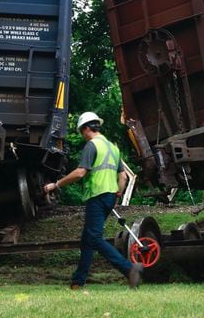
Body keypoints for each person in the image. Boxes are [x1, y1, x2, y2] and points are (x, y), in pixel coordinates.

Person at [43, 111, 143, 289]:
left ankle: (129, 269)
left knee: (94, 238)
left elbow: (81, 172)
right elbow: (123, 177)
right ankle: (77, 282)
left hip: (97, 196)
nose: (82, 136)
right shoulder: (113, 147)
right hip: (110, 197)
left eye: (82, 131)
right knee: (87, 240)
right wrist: (117, 194)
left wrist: (56, 185)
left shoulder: (92, 145)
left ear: (87, 128)